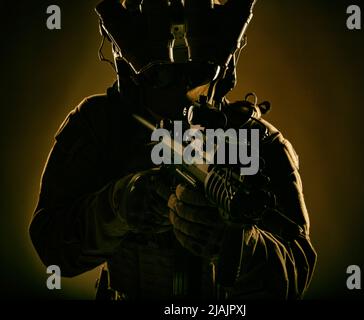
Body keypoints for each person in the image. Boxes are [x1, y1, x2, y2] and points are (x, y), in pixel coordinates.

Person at [29, 0, 316, 300]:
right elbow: (52, 248)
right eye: (161, 75)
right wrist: (117, 206)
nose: (181, 91)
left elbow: (295, 271)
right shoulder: (101, 126)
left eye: (197, 72)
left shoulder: (257, 141)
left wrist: (238, 244)